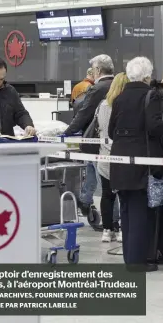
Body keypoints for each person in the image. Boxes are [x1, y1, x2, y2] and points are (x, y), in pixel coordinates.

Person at [109, 57, 163, 271]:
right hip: (143, 161)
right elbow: (154, 125)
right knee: (142, 212)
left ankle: (130, 259)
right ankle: (139, 262)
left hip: (119, 160)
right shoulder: (150, 96)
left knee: (127, 212)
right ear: (147, 76)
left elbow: (112, 129)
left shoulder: (119, 98)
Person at [64, 54, 115, 217]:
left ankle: (112, 220)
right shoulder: (118, 85)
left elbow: (84, 114)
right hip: (113, 140)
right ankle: (85, 201)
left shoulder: (97, 88)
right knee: (92, 172)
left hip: (97, 142)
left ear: (98, 70)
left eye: (93, 69)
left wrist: (66, 132)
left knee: (104, 182)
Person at [96, 73, 128, 243]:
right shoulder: (126, 105)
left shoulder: (103, 105)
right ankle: (123, 228)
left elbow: (101, 128)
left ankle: (107, 230)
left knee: (107, 196)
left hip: (104, 156)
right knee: (123, 196)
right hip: (122, 156)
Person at [0, 58, 36, 141]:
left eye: (2, 79)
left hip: (6, 143)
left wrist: (28, 125)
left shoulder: (10, 91)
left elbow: (20, 113)